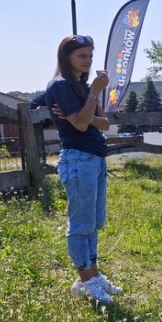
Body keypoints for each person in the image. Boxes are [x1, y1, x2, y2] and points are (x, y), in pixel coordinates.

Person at [44, 35, 122, 305]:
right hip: (77, 158)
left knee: (95, 221)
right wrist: (92, 96)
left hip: (95, 158)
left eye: (90, 55)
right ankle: (86, 279)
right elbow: (79, 125)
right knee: (81, 224)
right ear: (66, 57)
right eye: (82, 55)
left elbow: (104, 123)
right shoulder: (60, 86)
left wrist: (86, 111)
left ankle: (92, 275)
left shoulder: (82, 87)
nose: (88, 60)